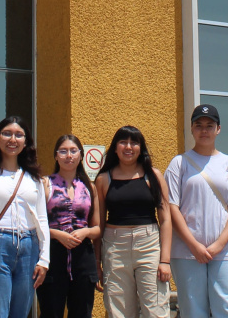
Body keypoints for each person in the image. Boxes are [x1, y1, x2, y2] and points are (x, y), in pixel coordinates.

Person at [165, 105, 228, 318]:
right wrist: (194, 245)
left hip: (224, 251)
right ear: (192, 129)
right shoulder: (179, 163)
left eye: (209, 126)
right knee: (192, 310)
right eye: (199, 125)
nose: (204, 130)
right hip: (186, 251)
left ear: (218, 129)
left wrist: (219, 245)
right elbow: (171, 207)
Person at [95, 125, 172, 318]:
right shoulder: (104, 179)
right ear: (115, 147)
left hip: (149, 245)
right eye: (123, 142)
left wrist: (165, 260)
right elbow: (99, 225)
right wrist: (97, 262)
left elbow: (166, 220)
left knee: (155, 310)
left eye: (134, 142)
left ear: (141, 148)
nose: (128, 147)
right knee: (118, 311)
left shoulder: (154, 176)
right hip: (115, 247)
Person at [0, 116, 50, 318]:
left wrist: (44, 259)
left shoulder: (33, 176)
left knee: (20, 312)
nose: (13, 139)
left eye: (19, 135)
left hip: (29, 246)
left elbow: (41, 219)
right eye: (7, 133)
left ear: (26, 142)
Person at [36, 135, 101, 318]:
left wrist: (85, 231)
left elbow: (97, 228)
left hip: (83, 257)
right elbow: (35, 225)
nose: (68, 156)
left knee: (82, 313)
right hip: (52, 255)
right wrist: (57, 234)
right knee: (51, 312)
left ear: (81, 155)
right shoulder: (45, 184)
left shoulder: (90, 187)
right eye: (63, 151)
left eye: (73, 151)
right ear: (56, 156)